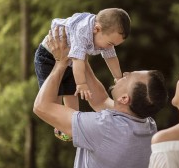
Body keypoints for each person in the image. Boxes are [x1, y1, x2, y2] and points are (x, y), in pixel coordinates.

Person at [33, 27, 168, 168]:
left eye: (129, 77)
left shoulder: (105, 128)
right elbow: (100, 101)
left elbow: (41, 106)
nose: (124, 74)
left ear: (124, 98)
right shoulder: (147, 126)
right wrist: (80, 55)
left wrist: (61, 63)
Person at [34, 8, 131, 141]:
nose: (109, 47)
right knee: (55, 101)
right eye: (110, 44)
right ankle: (59, 126)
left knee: (72, 99)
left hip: (70, 61)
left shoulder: (105, 37)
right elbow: (78, 60)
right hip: (48, 57)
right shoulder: (82, 31)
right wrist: (81, 83)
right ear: (96, 29)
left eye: (113, 45)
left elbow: (111, 57)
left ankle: (68, 130)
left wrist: (118, 78)